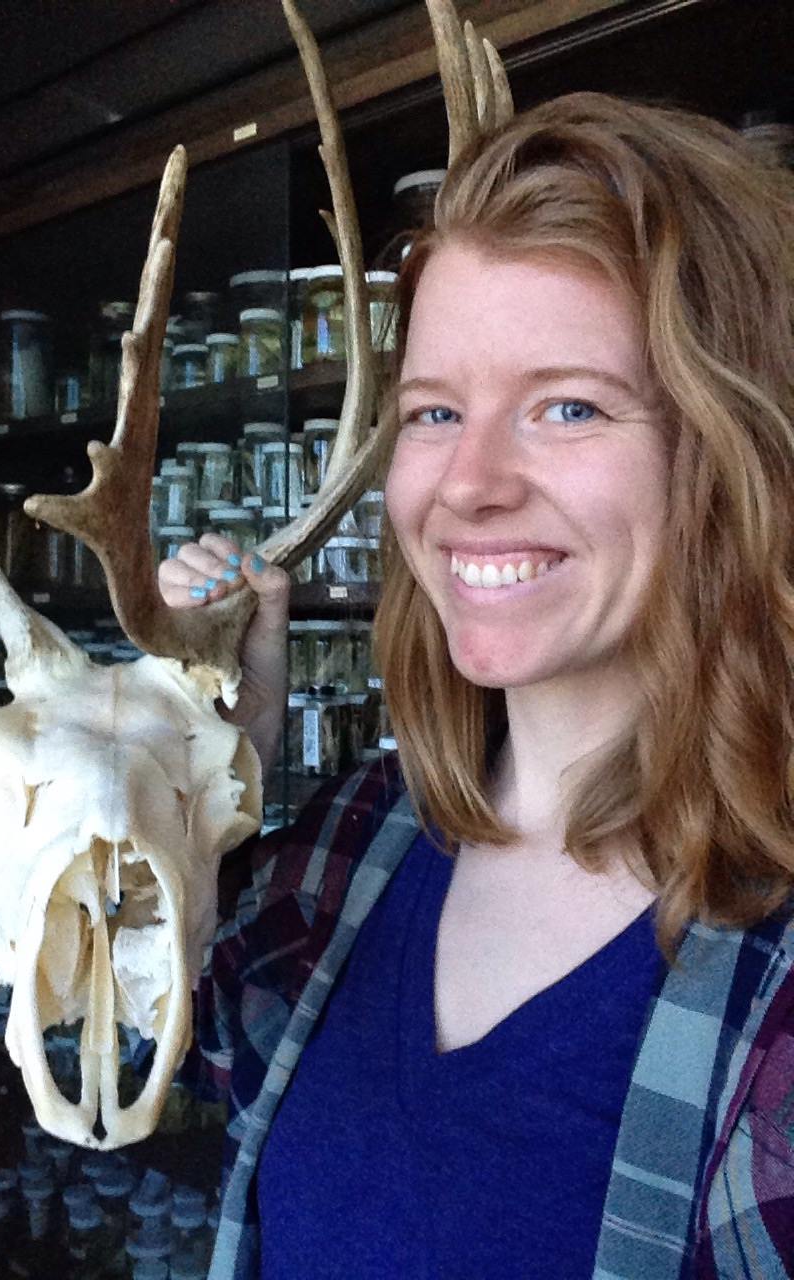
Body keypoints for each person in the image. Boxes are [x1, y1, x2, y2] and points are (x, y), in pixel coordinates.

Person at [157, 91, 794, 1280]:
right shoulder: (364, 834)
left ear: (731, 450)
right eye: (435, 411)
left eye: (568, 406)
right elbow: (159, 1043)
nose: (470, 482)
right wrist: (205, 761)